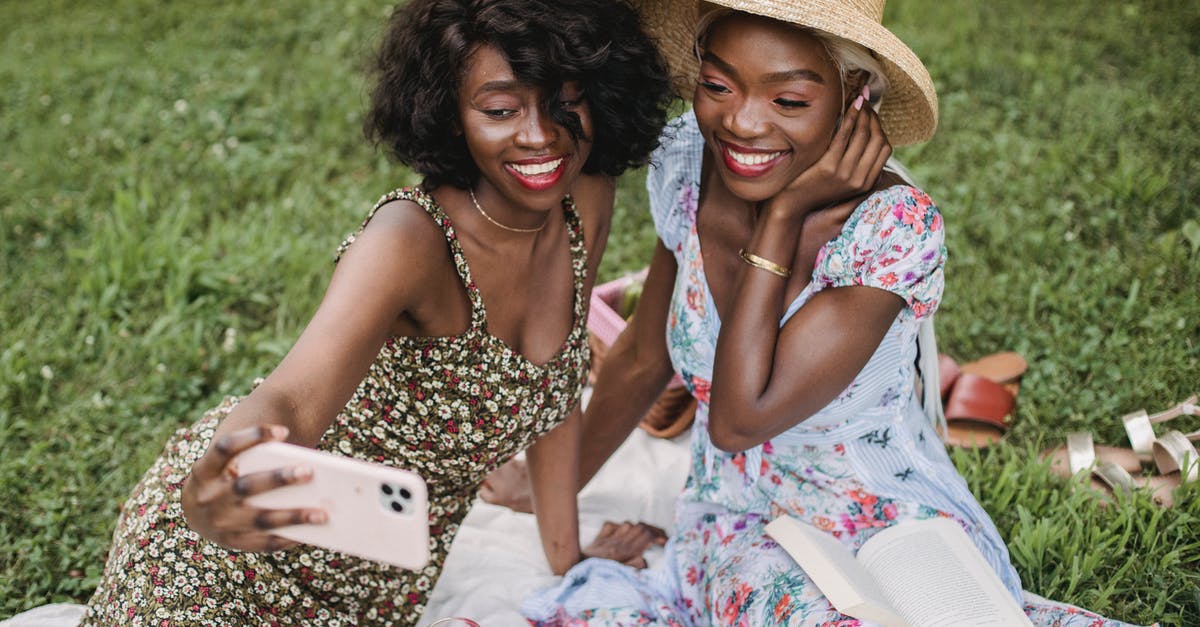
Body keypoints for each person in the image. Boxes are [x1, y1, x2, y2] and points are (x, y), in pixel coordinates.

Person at [521, 1, 1143, 625]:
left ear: (856, 98)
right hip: (743, 520)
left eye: (788, 100)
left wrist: (781, 223)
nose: (740, 122)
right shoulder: (686, 158)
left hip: (894, 523)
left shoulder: (893, 227)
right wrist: (548, 487)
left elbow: (741, 419)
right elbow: (643, 357)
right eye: (716, 85)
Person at [78, 0, 672, 624]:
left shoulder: (583, 200)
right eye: (501, 110)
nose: (540, 135)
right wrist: (220, 481)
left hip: (377, 580)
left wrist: (568, 559)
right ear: (449, 113)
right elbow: (291, 398)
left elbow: (553, 398)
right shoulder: (410, 240)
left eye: (565, 101)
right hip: (236, 556)